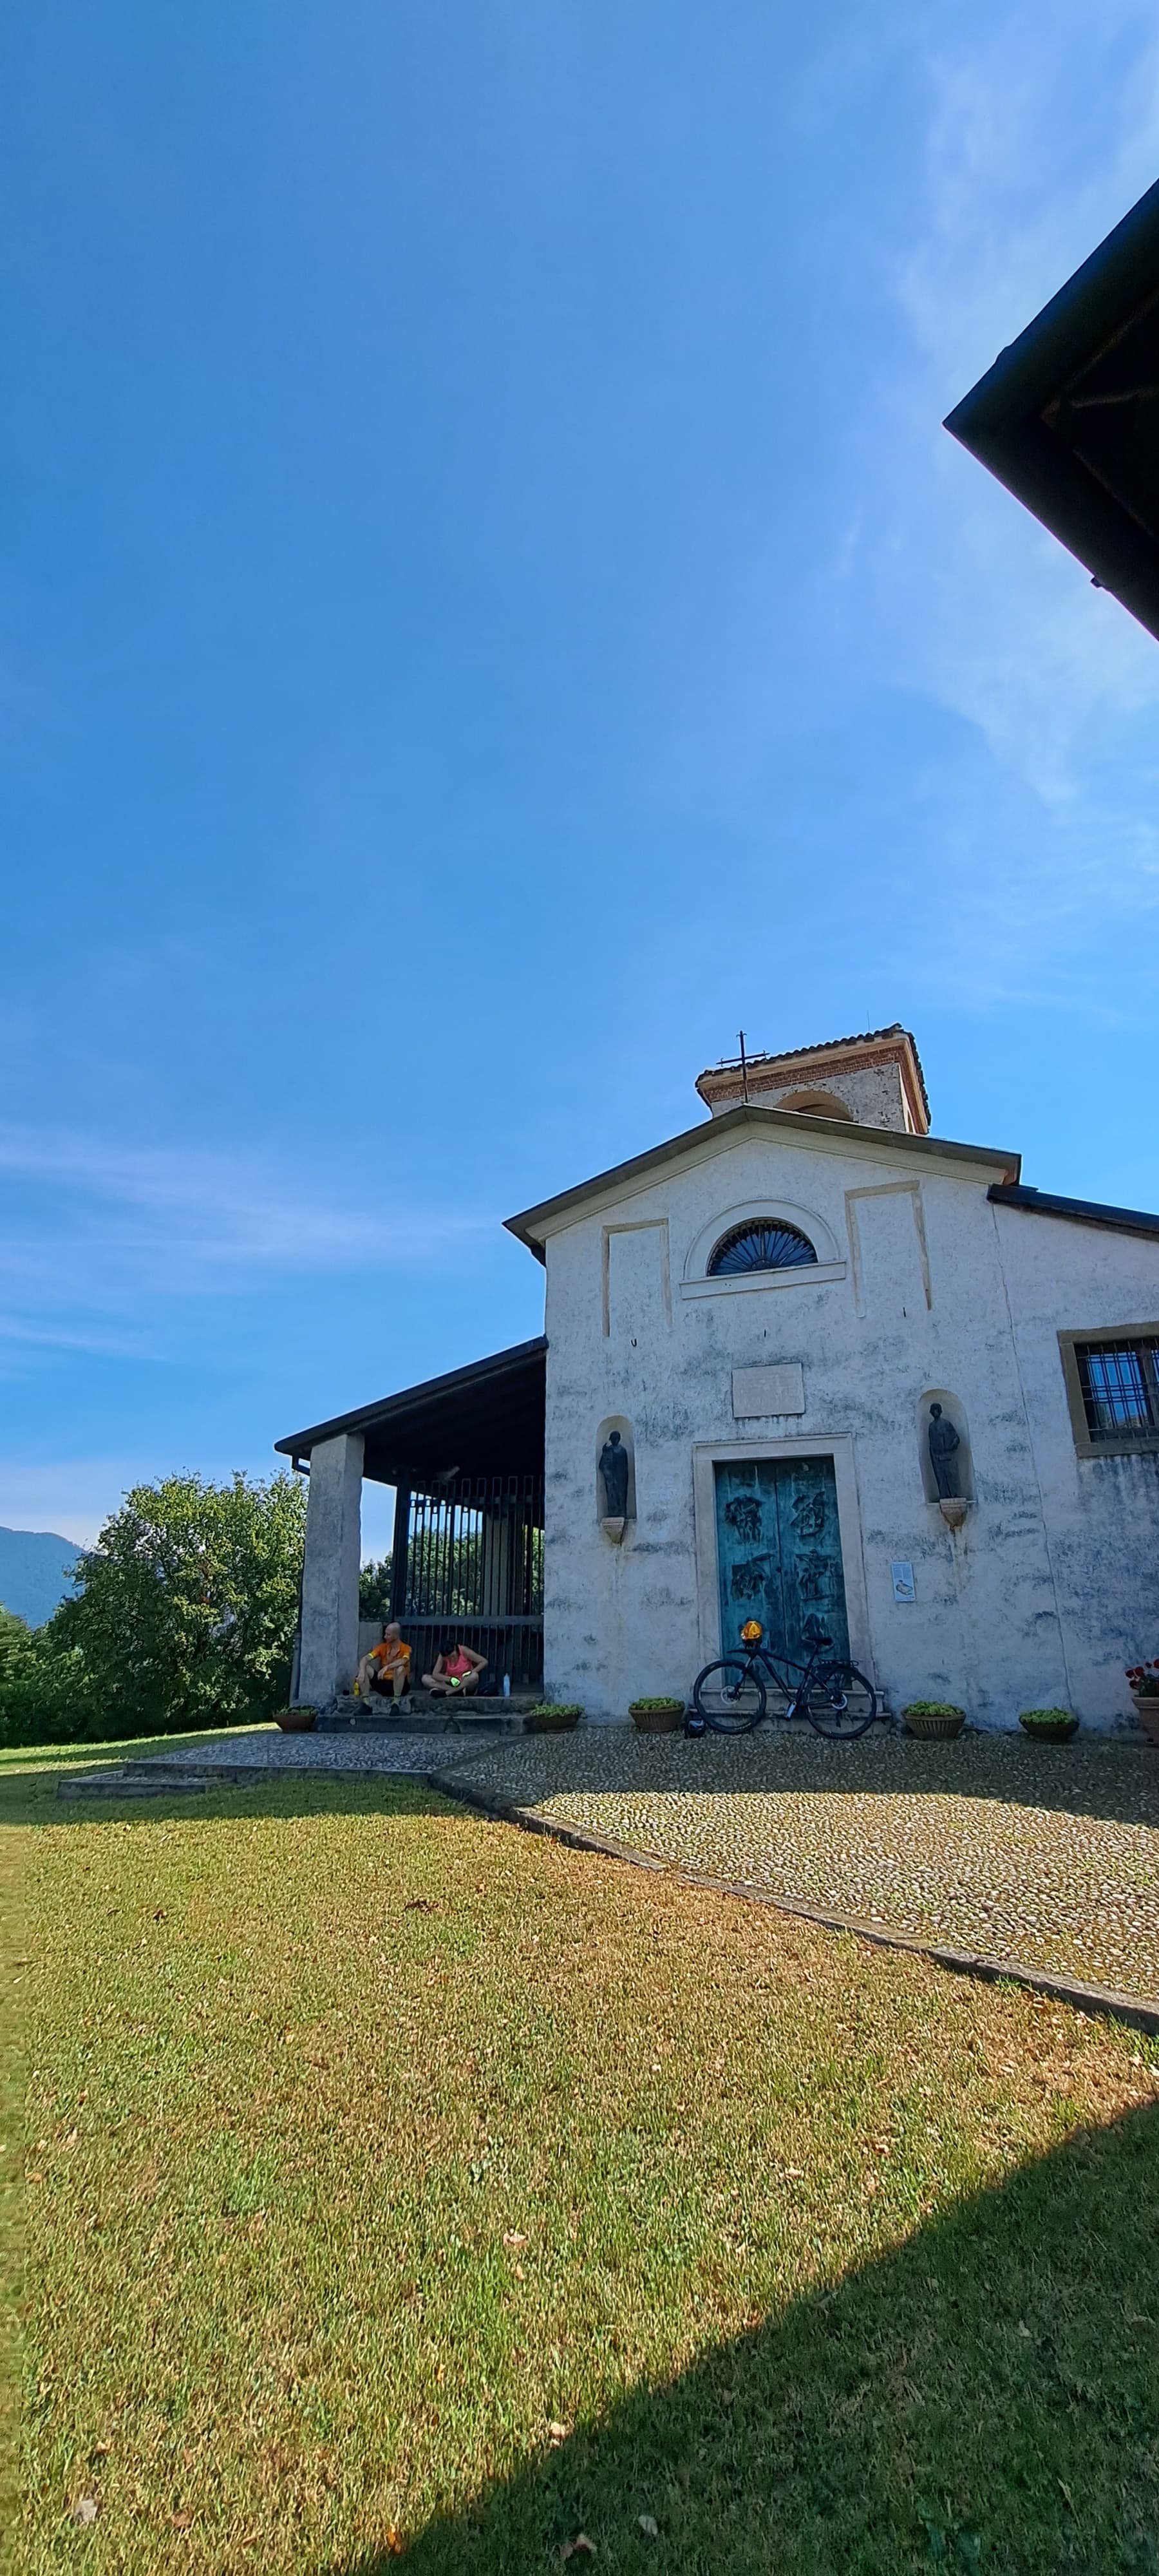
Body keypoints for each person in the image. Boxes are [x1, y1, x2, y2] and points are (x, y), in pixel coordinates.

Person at [355, 1622, 411, 1710]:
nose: (385, 1637)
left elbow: (403, 1661)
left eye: (388, 1635)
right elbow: (365, 1659)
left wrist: (387, 1667)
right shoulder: (382, 1647)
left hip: (400, 1686)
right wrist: (362, 1672)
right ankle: (366, 1704)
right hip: (384, 1684)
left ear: (396, 1636)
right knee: (366, 1668)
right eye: (385, 1634)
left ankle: (396, 1703)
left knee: (400, 1669)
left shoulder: (406, 1648)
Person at [422, 1639, 487, 1698]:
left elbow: (484, 1662)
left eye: (453, 1656)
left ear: (455, 1649)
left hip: (465, 1683)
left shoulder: (464, 1650)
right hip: (451, 1683)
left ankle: (448, 1693)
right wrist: (450, 1679)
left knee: (474, 1676)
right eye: (449, 1658)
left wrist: (471, 1672)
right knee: (425, 1679)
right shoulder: (442, 1655)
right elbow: (435, 1674)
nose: (452, 1659)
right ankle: (457, 1692)